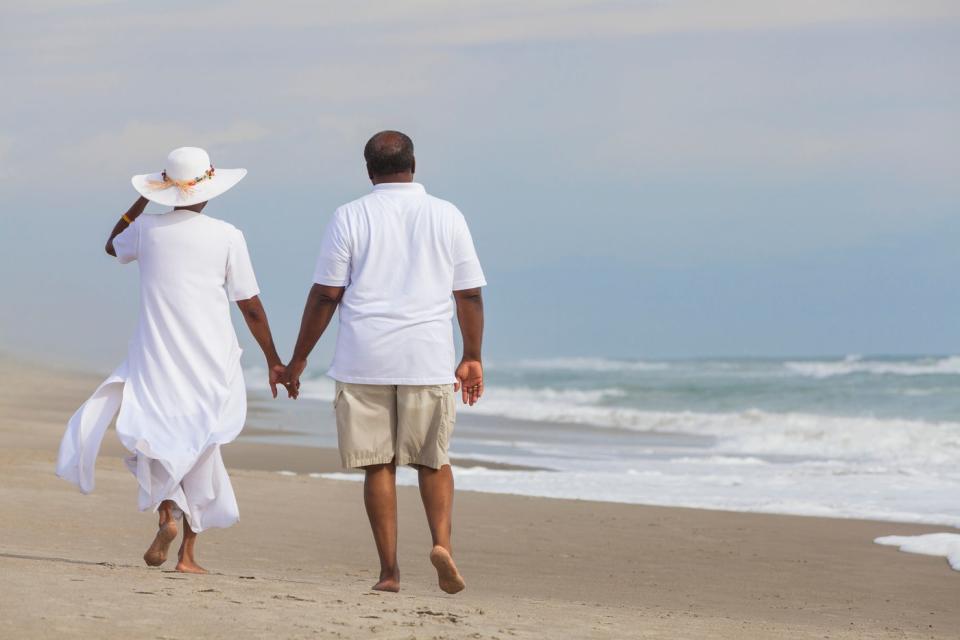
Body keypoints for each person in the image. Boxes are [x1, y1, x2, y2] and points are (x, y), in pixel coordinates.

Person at [57, 147, 285, 574]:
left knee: (158, 438)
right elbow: (250, 305)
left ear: (166, 188)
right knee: (203, 443)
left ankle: (167, 516)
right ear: (209, 189)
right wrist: (274, 359)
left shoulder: (145, 229)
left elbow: (112, 245)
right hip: (210, 358)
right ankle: (188, 557)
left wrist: (146, 197)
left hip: (156, 355)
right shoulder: (227, 235)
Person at [281, 130, 486, 594]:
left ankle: (389, 572)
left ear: (368, 170)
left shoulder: (349, 216)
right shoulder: (446, 215)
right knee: (433, 461)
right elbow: (468, 293)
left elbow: (326, 296)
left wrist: (297, 361)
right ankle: (441, 545)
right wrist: (471, 355)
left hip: (363, 357)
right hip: (427, 355)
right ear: (414, 164)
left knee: (379, 464)